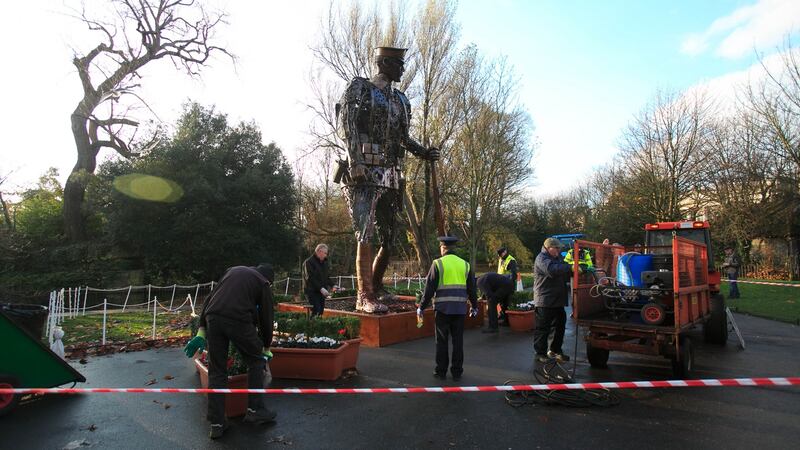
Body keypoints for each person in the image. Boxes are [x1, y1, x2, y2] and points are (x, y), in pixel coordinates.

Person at [336, 46, 440, 313]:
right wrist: (355, 161)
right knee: (365, 232)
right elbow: (346, 124)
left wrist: (423, 153)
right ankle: (364, 294)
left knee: (389, 238)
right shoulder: (360, 88)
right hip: (365, 168)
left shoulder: (401, 100)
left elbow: (403, 138)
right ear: (383, 63)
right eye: (399, 64)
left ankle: (377, 286)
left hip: (392, 173)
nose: (403, 70)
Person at [183, 264, 277, 439]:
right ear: (269, 280)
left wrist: (202, 329)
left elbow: (209, 300)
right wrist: (266, 346)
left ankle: (217, 423)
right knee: (256, 361)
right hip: (238, 318)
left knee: (217, 370)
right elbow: (266, 318)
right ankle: (255, 409)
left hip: (213, 318)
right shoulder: (263, 282)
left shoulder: (232, 271)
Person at [417, 236, 478, 380]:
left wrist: (421, 307)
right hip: (460, 310)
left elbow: (429, 289)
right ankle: (457, 372)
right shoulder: (465, 265)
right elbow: (472, 289)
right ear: (454, 248)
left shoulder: (437, 263)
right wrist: (474, 306)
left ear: (443, 248)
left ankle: (441, 371)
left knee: (442, 341)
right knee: (458, 342)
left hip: (442, 309)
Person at [533, 238, 574, 363]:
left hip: (557, 300)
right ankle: (540, 353)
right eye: (556, 248)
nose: (559, 250)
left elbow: (563, 270)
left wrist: (574, 269)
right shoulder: (542, 258)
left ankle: (555, 350)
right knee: (543, 328)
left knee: (559, 326)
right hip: (545, 300)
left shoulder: (556, 258)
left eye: (559, 248)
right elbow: (552, 270)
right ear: (548, 248)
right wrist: (569, 267)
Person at [303, 244, 333, 317]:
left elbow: (326, 277)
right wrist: (321, 288)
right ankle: (311, 326)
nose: (326, 255)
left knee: (321, 311)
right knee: (316, 310)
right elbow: (310, 278)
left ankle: (317, 326)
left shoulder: (324, 262)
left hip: (321, 292)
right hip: (312, 291)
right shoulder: (308, 262)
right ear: (319, 251)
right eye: (325, 253)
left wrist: (333, 285)